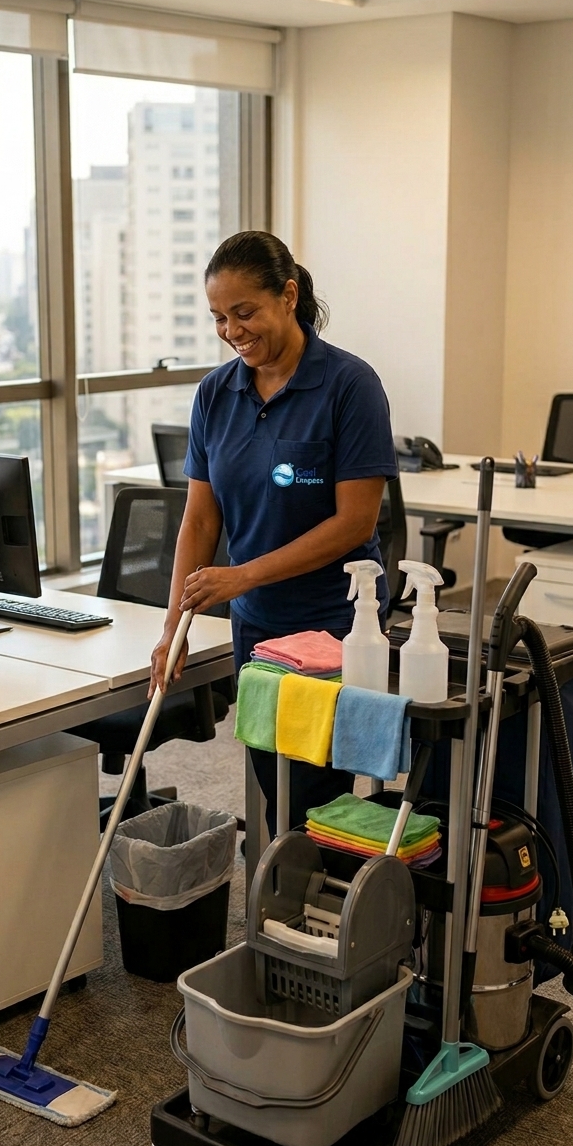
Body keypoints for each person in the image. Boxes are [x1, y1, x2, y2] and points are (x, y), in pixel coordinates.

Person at [150, 231, 397, 833]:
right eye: (218, 318)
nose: (231, 330)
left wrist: (241, 576)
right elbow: (200, 519)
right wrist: (173, 627)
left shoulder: (349, 385)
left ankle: (322, 887)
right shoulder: (216, 393)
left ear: (288, 296)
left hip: (332, 621)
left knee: (317, 792)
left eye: (244, 312)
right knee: (272, 779)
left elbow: (355, 522)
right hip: (258, 625)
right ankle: (285, 881)